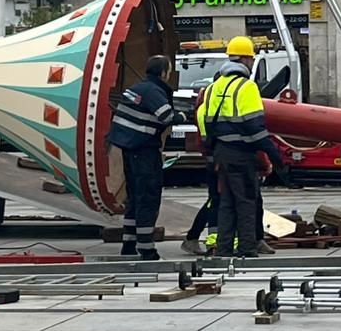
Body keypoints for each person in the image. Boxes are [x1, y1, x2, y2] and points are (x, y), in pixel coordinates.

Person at [197, 37, 286, 260]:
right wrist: (275, 157)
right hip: (241, 155)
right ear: (246, 59)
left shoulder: (214, 86)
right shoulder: (247, 87)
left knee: (226, 203)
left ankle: (224, 250)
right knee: (247, 202)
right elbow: (255, 127)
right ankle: (247, 248)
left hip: (222, 154)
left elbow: (207, 121)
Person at [105, 55, 184, 260]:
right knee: (148, 197)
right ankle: (147, 247)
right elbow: (167, 117)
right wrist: (182, 116)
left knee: (134, 198)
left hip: (129, 149)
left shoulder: (136, 88)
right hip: (145, 151)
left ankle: (129, 244)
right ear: (163, 73)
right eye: (169, 69)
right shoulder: (154, 92)